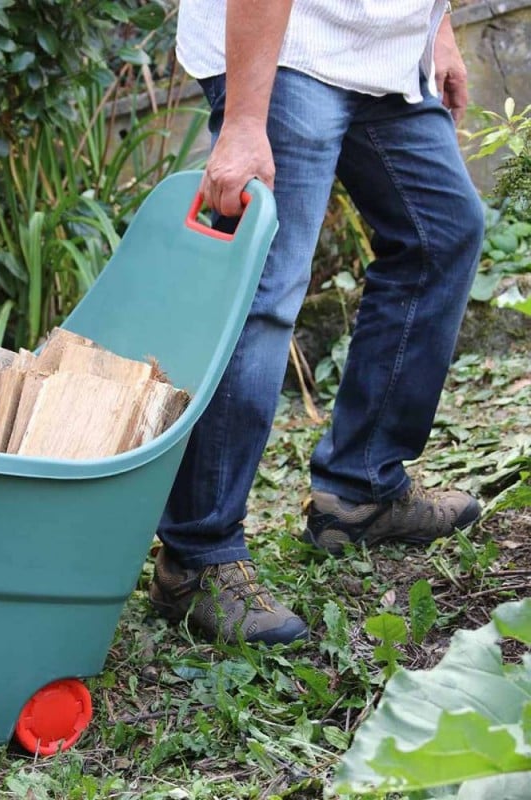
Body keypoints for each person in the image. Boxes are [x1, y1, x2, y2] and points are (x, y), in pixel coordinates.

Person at [149, 0, 484, 645]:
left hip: (381, 53)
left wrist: (435, 28)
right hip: (286, 47)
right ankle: (196, 555)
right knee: (267, 288)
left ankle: (359, 492)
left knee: (442, 234)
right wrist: (246, 119)